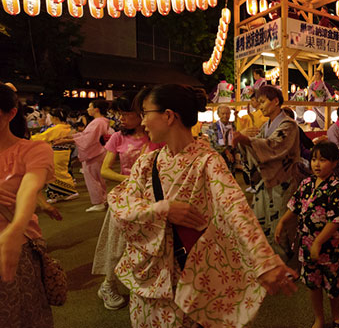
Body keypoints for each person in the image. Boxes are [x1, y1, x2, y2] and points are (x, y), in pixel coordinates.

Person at [108, 84, 298, 328]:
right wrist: (163, 209)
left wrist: (265, 261)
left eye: (146, 113)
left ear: (168, 116)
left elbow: (236, 208)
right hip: (150, 279)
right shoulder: (146, 163)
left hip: (192, 275)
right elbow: (119, 204)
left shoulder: (208, 161)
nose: (142, 122)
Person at [93, 91, 160, 310]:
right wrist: (133, 178)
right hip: (126, 196)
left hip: (152, 197)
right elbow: (105, 171)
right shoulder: (118, 137)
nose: (121, 118)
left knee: (146, 244)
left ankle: (140, 284)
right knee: (117, 245)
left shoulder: (156, 136)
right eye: (119, 113)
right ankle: (108, 285)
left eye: (126, 113)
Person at [275, 142, 339, 328]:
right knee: (312, 284)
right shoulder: (307, 183)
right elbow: (295, 206)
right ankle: (319, 318)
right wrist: (282, 222)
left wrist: (318, 242)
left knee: (333, 286)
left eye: (323, 160)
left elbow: (337, 220)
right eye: (314, 159)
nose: (316, 164)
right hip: (307, 245)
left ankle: (336, 314)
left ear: (334, 163)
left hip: (329, 247)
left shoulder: (337, 187)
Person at [0, 84, 55, 327]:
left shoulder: (33, 149)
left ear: (10, 114)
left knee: (21, 317)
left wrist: (14, 228)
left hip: (16, 250)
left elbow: (29, 188)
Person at [232, 85, 301, 244]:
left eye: (263, 102)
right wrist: (246, 141)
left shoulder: (288, 125)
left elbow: (273, 146)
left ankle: (283, 262)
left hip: (282, 182)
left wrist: (246, 140)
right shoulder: (266, 126)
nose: (260, 106)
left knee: (280, 227)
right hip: (266, 182)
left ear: (276, 101)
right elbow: (257, 146)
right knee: (263, 224)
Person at [55, 100, 112, 212]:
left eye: (89, 107)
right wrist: (71, 138)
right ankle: (103, 199)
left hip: (94, 152)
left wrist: (69, 140)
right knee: (98, 178)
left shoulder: (98, 122)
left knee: (92, 178)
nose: (87, 109)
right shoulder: (101, 121)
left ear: (96, 109)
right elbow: (86, 136)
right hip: (98, 151)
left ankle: (98, 201)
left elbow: (88, 139)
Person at [31, 107, 79, 203]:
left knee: (57, 173)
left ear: (55, 118)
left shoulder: (57, 128)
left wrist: (29, 137)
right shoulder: (66, 127)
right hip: (64, 152)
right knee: (61, 172)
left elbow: (42, 137)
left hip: (58, 153)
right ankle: (59, 194)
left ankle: (70, 192)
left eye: (51, 117)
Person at [206, 105, 236, 170]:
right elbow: (213, 142)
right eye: (223, 114)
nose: (225, 116)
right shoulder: (212, 126)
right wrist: (226, 152)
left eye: (227, 113)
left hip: (232, 155)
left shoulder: (233, 126)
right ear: (218, 115)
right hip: (218, 156)